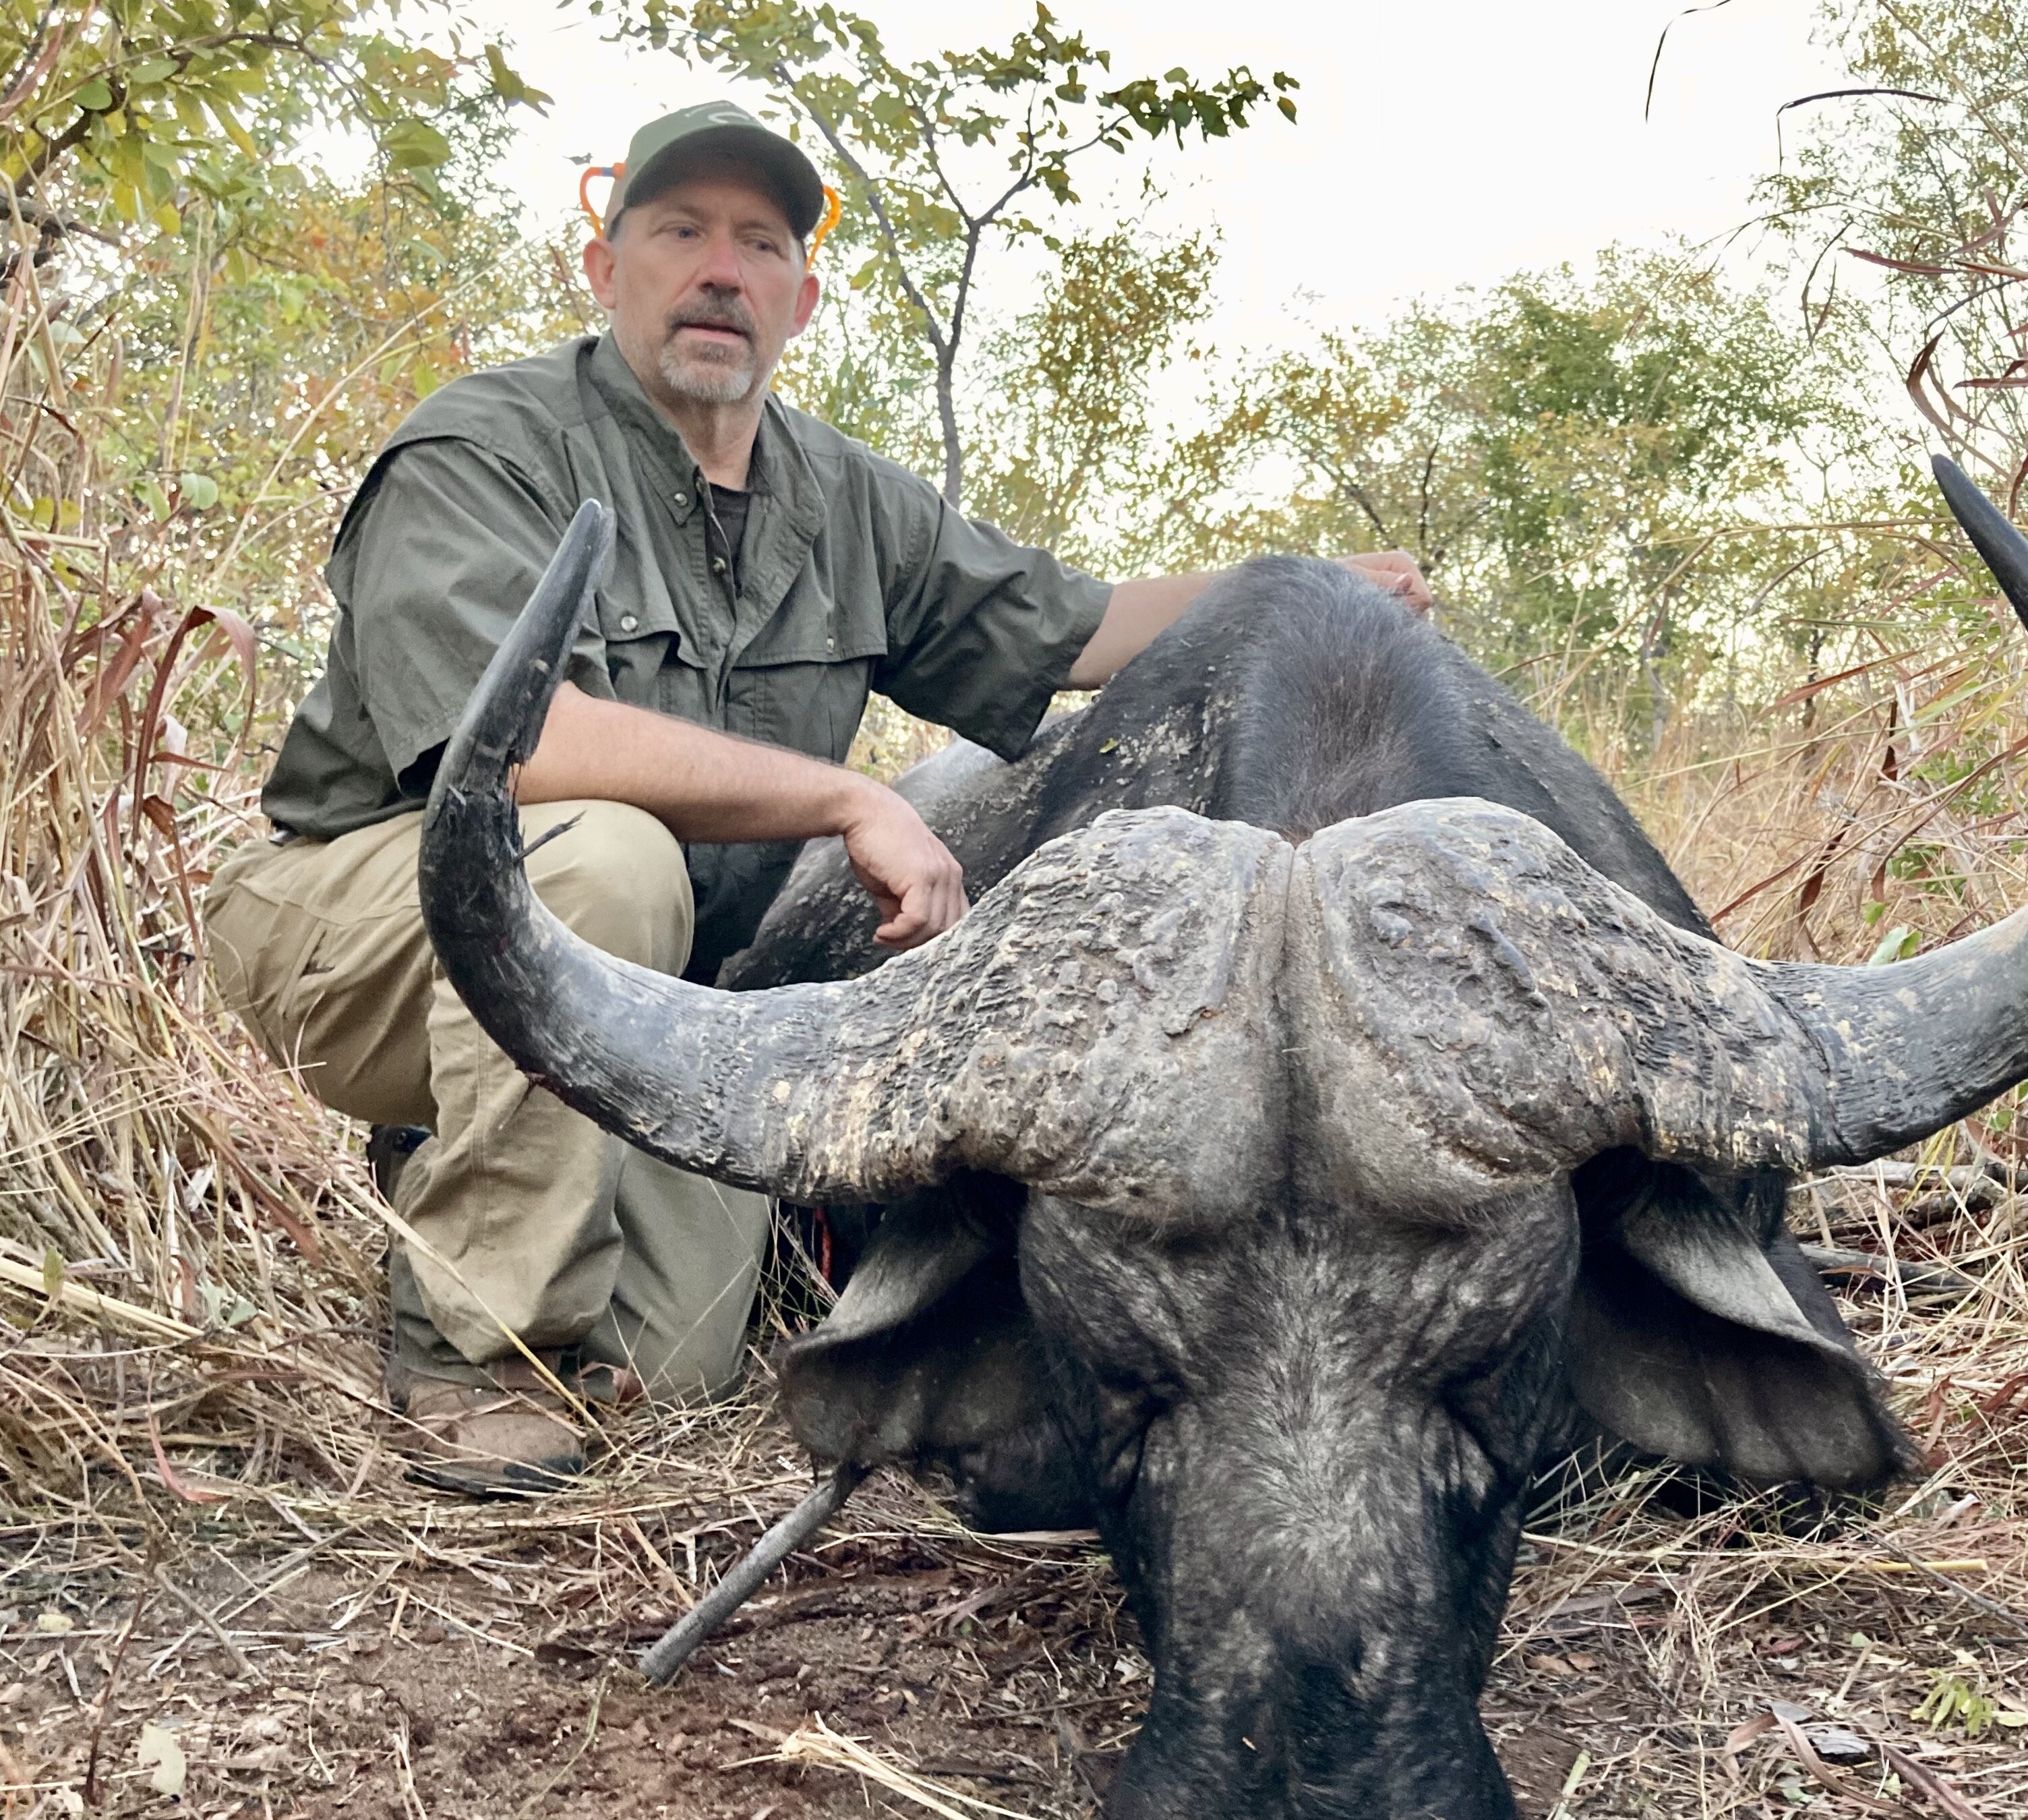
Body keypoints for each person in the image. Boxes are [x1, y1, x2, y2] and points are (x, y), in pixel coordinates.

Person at [204, 102, 1429, 1496]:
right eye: (680, 232)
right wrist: (848, 798)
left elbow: (1072, 628)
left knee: (682, 1360)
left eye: (760, 243)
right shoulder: (485, 445)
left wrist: (1299, 586)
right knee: (600, 864)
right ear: (604, 269)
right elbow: (518, 753)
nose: (719, 271)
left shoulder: (841, 496)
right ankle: (475, 1359)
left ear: (802, 298)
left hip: (653, 983)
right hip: (367, 923)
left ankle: (455, 1175)